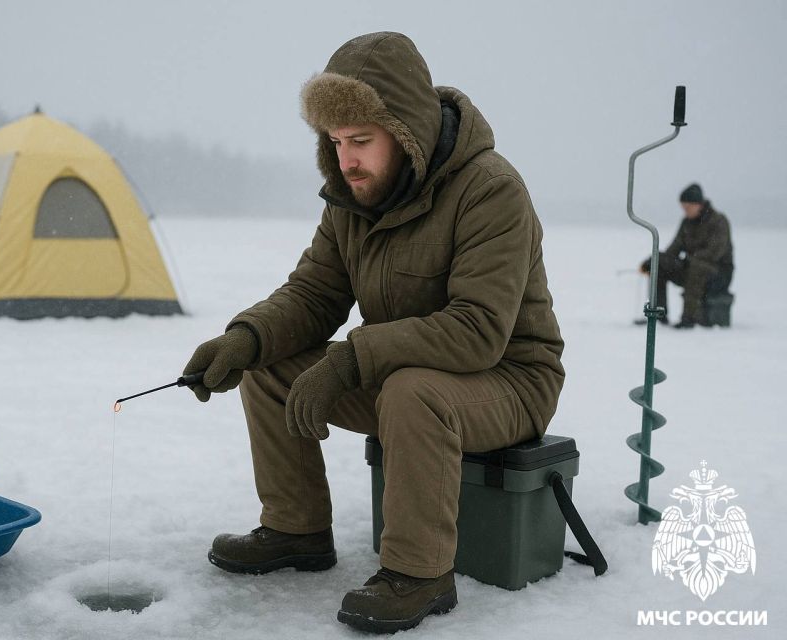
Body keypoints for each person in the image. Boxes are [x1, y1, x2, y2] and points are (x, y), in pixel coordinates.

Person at [182, 32, 564, 633]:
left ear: (406, 131)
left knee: (414, 392)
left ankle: (419, 573)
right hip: (399, 373)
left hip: (510, 380)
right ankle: (296, 530)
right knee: (273, 367)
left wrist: (350, 360)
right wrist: (246, 339)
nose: (346, 161)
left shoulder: (491, 190)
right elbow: (313, 295)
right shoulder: (351, 199)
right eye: (335, 142)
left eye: (361, 141)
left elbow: (478, 330)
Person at [640, 183, 734, 328]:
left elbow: (715, 252)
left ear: (699, 204)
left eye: (688, 207)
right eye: (683, 207)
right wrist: (655, 261)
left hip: (718, 274)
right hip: (691, 267)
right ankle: (658, 315)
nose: (685, 210)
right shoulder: (686, 223)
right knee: (660, 265)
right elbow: (674, 249)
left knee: (697, 267)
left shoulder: (718, 221)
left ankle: (689, 318)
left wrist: (690, 259)